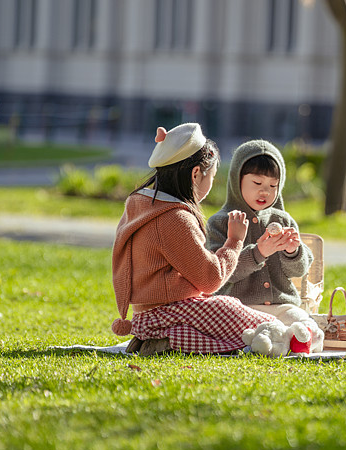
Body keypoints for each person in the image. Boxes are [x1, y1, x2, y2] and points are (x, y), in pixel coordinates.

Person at [110, 123, 275, 356]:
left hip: (146, 315)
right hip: (170, 311)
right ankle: (170, 338)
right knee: (245, 315)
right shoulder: (174, 218)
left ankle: (166, 339)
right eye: (213, 176)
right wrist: (234, 241)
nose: (211, 184)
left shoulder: (142, 206)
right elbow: (210, 279)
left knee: (231, 310)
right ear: (196, 173)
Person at [206, 139, 314, 325]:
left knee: (305, 326)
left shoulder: (283, 220)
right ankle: (277, 340)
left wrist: (293, 252)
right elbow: (220, 274)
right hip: (238, 309)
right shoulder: (221, 222)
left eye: (273, 186)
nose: (265, 191)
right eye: (257, 182)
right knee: (260, 333)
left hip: (282, 306)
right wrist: (258, 253)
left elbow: (299, 271)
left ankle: (288, 339)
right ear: (236, 179)